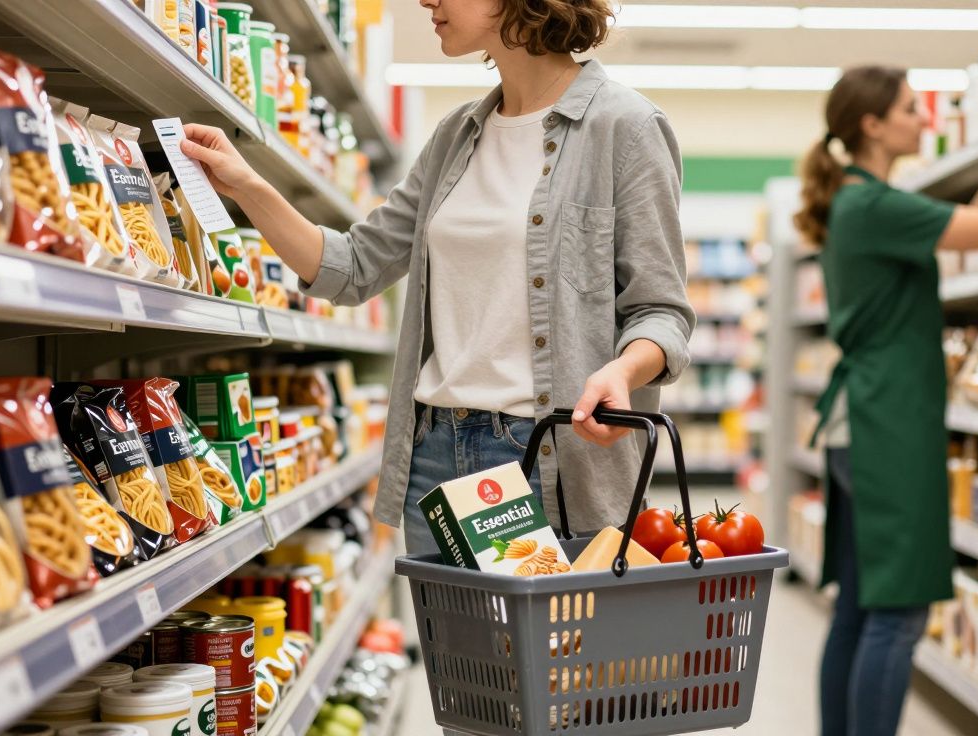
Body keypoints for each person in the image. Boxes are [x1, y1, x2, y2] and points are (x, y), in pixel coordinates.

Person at [180, 0, 694, 555]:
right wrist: (247, 185)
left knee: (553, 643)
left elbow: (661, 312)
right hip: (436, 456)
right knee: (451, 643)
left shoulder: (627, 127)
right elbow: (351, 267)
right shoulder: (455, 137)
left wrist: (622, 371)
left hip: (552, 460)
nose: (425, 0)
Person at [797, 67, 978, 736]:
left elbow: (969, 224)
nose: (922, 118)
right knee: (897, 616)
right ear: (872, 125)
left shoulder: (863, 198)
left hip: (862, 421)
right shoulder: (871, 204)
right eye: (908, 108)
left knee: (860, 611)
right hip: (886, 425)